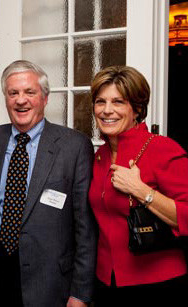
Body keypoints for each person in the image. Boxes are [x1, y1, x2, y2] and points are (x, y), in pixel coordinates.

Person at [0, 60, 97, 307]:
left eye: (30, 92)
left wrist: (80, 293)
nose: (21, 100)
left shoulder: (74, 147)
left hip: (51, 283)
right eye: (13, 93)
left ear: (45, 97)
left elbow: (85, 229)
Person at [89, 65, 188, 306]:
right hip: (105, 282)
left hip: (157, 284)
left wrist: (141, 190)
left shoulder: (163, 149)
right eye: (100, 102)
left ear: (137, 109)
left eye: (118, 102)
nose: (107, 110)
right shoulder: (99, 156)